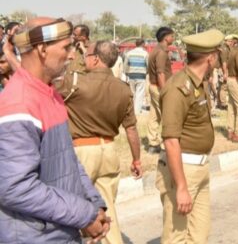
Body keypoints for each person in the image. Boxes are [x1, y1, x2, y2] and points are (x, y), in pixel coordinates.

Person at [0, 17, 110, 243]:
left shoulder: (51, 94)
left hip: (61, 231)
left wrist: (94, 205)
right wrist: (84, 215)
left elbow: (68, 160)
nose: (72, 55)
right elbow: (15, 188)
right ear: (42, 49)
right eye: (66, 47)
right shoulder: (19, 103)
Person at [59, 40, 142, 244]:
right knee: (107, 211)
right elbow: (131, 129)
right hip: (109, 151)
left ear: (95, 59)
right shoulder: (123, 89)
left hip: (83, 152)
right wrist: (137, 159)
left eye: (86, 54)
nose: (84, 58)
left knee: (78, 213)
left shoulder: (76, 82)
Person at [156, 29, 224, 244]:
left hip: (199, 168)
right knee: (176, 236)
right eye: (217, 54)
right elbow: (170, 140)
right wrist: (182, 187)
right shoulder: (178, 88)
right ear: (210, 58)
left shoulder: (197, 83)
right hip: (183, 170)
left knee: (199, 235)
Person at [147, 26, 175, 154]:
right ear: (166, 37)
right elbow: (160, 73)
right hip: (159, 87)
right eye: (172, 36)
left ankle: (153, 143)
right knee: (167, 115)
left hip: (154, 86)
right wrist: (164, 90)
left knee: (154, 116)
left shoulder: (156, 50)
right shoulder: (161, 52)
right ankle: (166, 144)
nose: (173, 38)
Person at [125, 38, 149, 116]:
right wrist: (146, 73)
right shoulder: (145, 54)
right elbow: (148, 65)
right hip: (141, 76)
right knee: (140, 93)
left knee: (132, 93)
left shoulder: (129, 53)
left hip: (131, 75)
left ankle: (131, 110)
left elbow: (126, 65)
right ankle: (137, 112)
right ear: (142, 44)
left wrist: (126, 73)